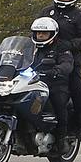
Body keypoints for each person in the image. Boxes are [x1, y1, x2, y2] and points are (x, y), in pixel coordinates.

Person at [38, 0, 81, 139]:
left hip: (70, 60)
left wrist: (69, 44)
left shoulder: (79, 16)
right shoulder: (46, 12)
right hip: (44, 57)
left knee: (76, 87)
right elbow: (35, 31)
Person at [30, 16, 76, 144]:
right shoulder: (31, 48)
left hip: (55, 83)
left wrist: (57, 70)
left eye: (44, 33)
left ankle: (61, 138)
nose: (40, 35)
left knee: (58, 103)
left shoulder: (61, 48)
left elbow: (67, 64)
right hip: (34, 82)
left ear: (52, 34)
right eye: (38, 33)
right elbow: (17, 58)